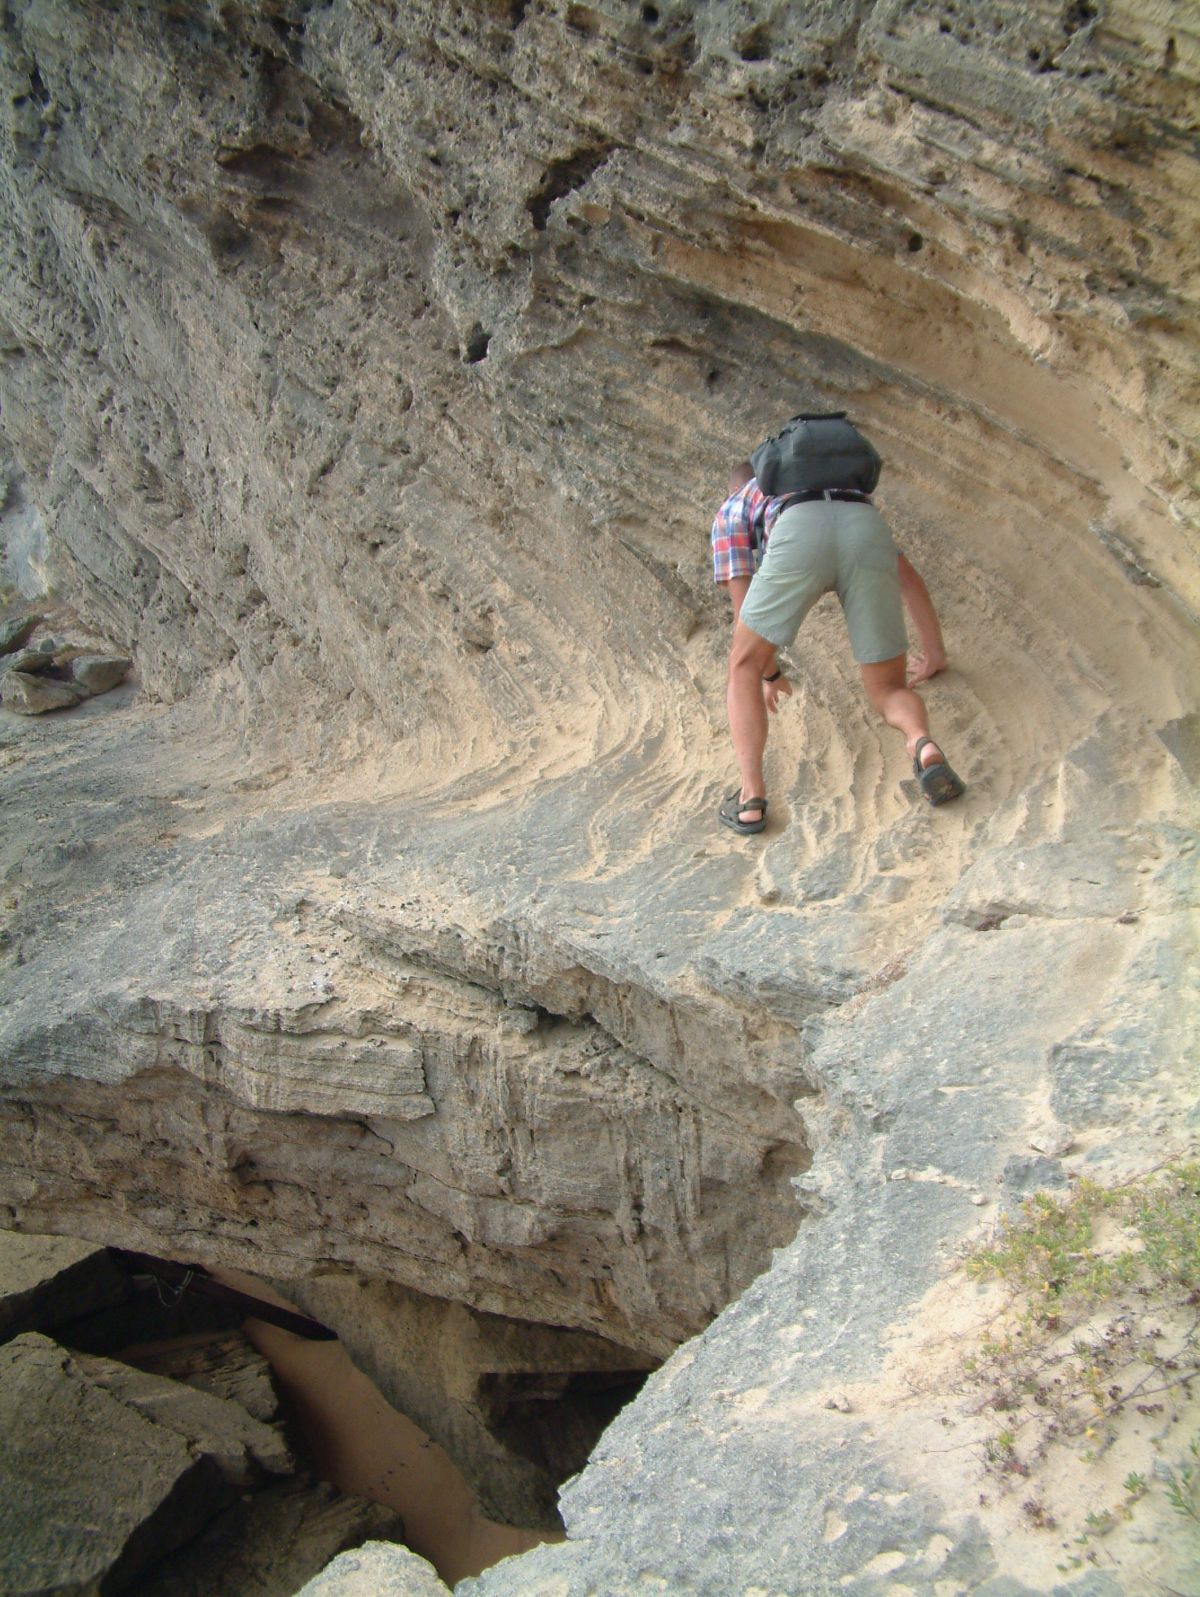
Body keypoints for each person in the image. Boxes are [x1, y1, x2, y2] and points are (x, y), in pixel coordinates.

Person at [711, 456, 963, 835]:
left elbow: (743, 612)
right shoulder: (839, 490)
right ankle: (921, 742)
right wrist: (934, 655)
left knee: (742, 665)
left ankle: (750, 800)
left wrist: (770, 672)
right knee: (888, 688)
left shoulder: (734, 506)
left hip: (798, 534)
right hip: (863, 526)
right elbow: (908, 579)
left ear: (735, 486)